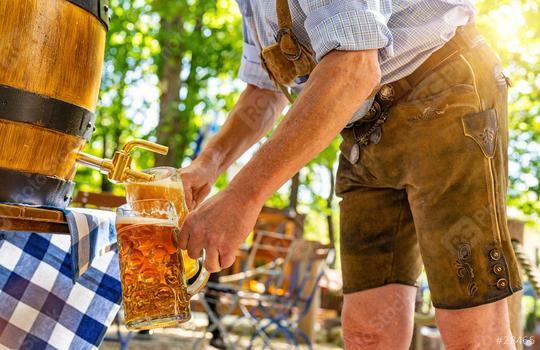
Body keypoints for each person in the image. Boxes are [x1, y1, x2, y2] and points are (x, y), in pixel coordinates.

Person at [178, 0, 521, 348]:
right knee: (367, 334)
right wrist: (209, 162)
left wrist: (241, 196)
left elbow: (353, 68)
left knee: (472, 333)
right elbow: (266, 90)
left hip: (445, 92)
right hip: (361, 128)